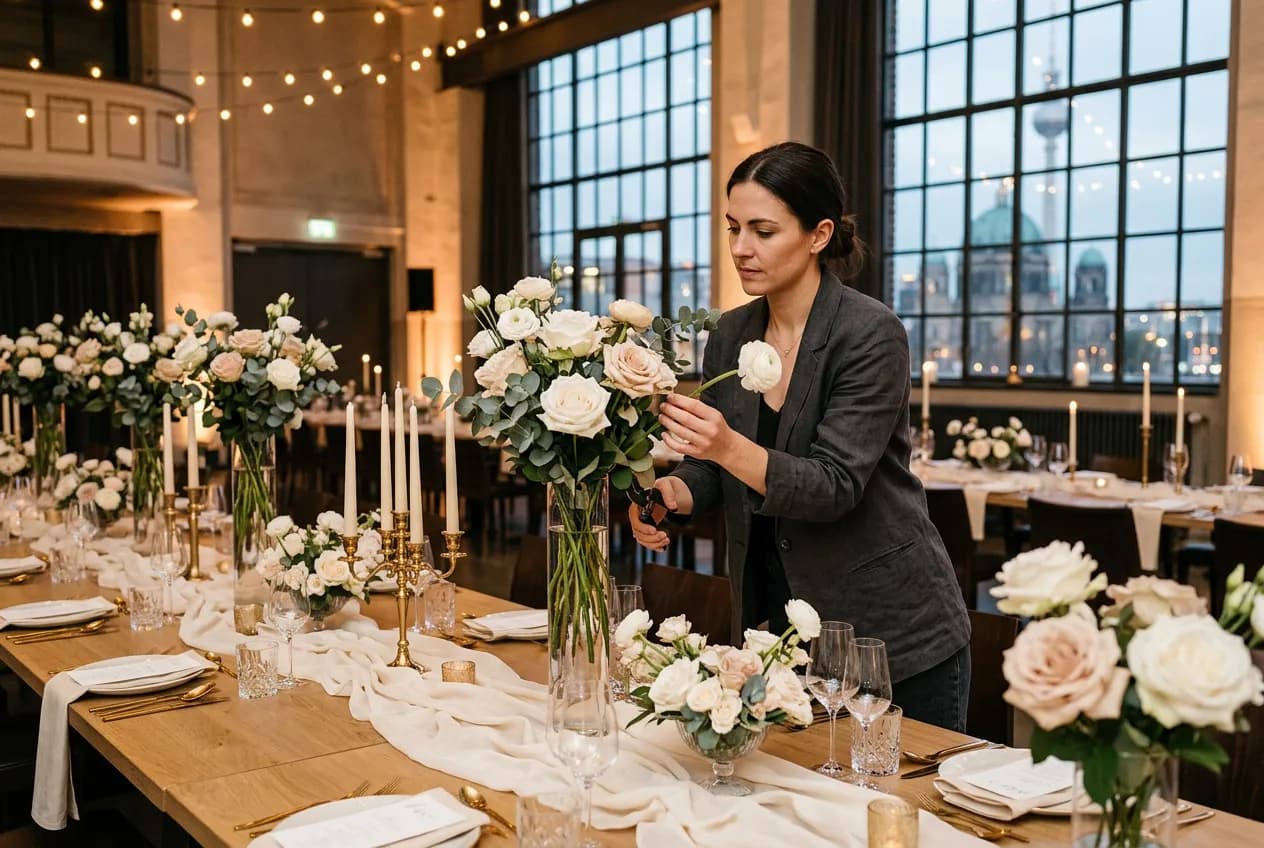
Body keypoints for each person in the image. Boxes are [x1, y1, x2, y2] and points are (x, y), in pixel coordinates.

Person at [630, 141, 971, 732]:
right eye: (734, 228)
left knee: (899, 815)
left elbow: (835, 485)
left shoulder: (870, 333)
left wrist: (724, 446)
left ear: (818, 235)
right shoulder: (732, 331)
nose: (741, 248)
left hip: (886, 631)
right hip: (769, 619)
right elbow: (716, 467)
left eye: (763, 230)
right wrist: (675, 492)